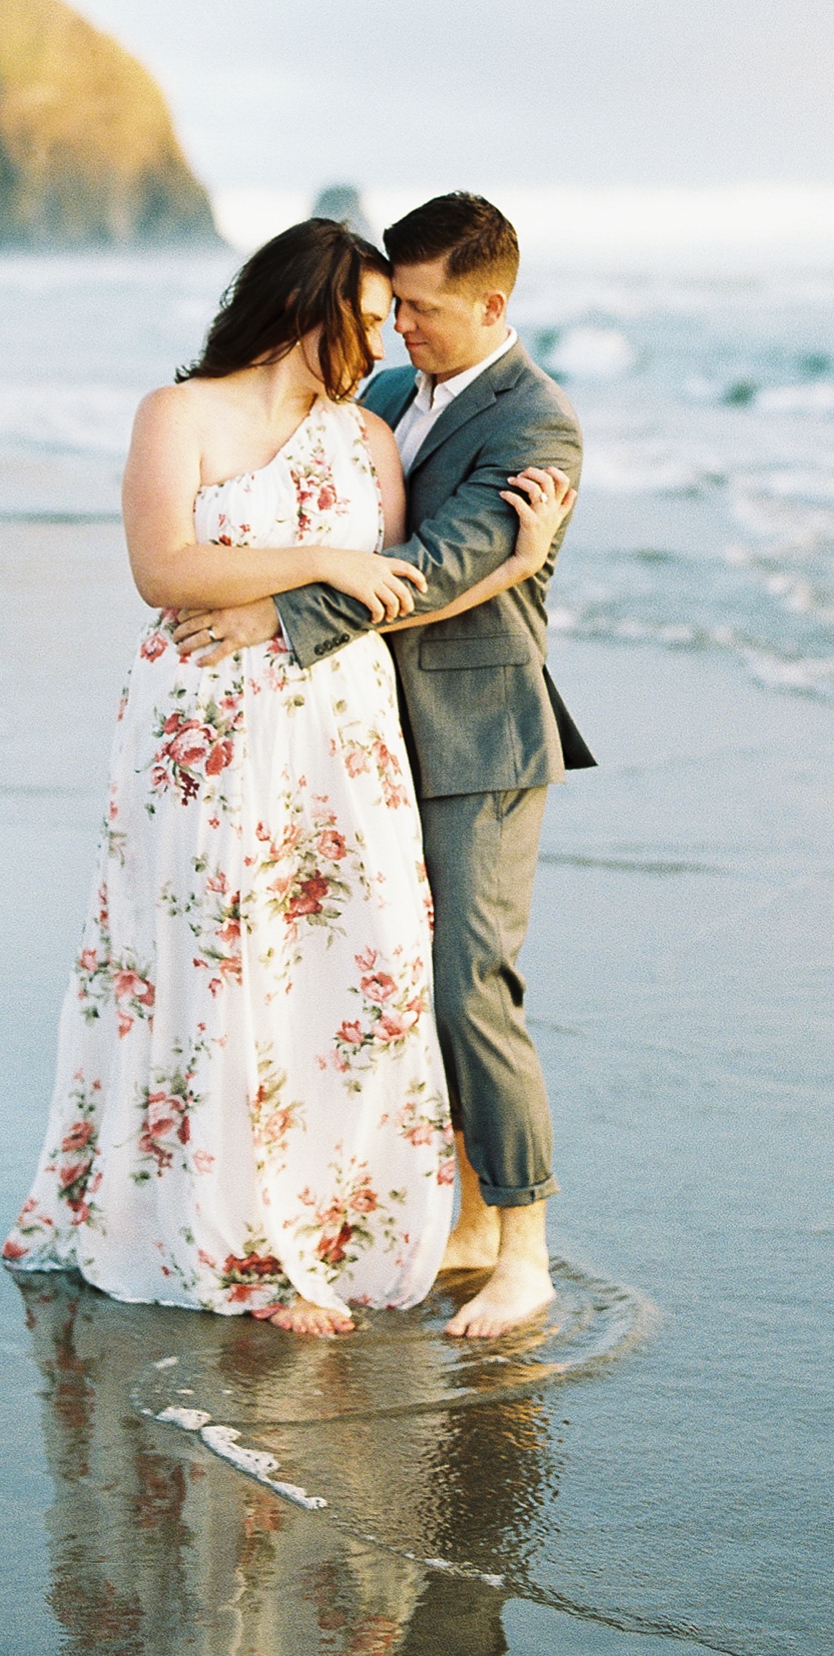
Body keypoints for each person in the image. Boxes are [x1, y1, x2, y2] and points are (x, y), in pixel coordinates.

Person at [3, 217, 574, 1336]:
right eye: (369, 316)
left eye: (400, 315)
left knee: (360, 972)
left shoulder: (372, 434)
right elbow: (163, 570)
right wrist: (318, 561)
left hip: (346, 735)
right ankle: (234, 1235)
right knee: (211, 957)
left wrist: (519, 557)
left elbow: (402, 588)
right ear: (301, 304)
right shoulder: (180, 415)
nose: (387, 337)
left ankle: (368, 1221)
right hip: (205, 728)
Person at [174, 194, 591, 1340]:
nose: (395, 326)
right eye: (389, 302)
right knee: (392, 987)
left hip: (476, 741)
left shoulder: (536, 428)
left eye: (418, 307)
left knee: (469, 986)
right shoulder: (396, 393)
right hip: (364, 737)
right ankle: (453, 1219)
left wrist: (277, 615)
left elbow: (442, 565)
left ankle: (527, 1249)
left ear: (491, 304)